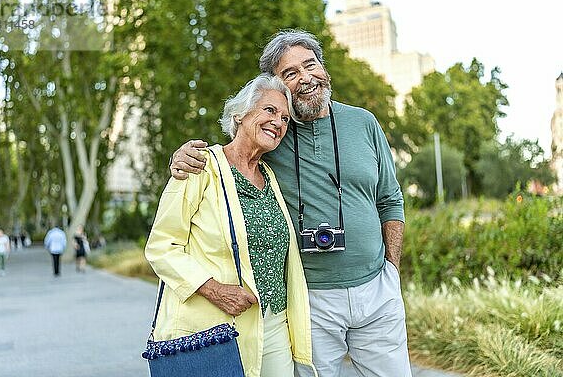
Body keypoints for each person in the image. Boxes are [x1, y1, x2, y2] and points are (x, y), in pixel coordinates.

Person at [170, 30, 411, 377]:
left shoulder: (364, 123)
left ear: (324, 69)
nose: (305, 78)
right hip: (310, 299)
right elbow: (228, 157)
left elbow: (391, 199)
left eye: (310, 65)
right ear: (279, 86)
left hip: (377, 288)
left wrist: (392, 270)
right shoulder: (273, 132)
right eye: (290, 73)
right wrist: (180, 159)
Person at [145, 74, 317, 377]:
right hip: (215, 329)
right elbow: (161, 246)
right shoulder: (199, 166)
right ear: (240, 114)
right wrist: (213, 289)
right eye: (269, 110)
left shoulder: (271, 177)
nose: (278, 122)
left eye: (285, 119)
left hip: (274, 324)